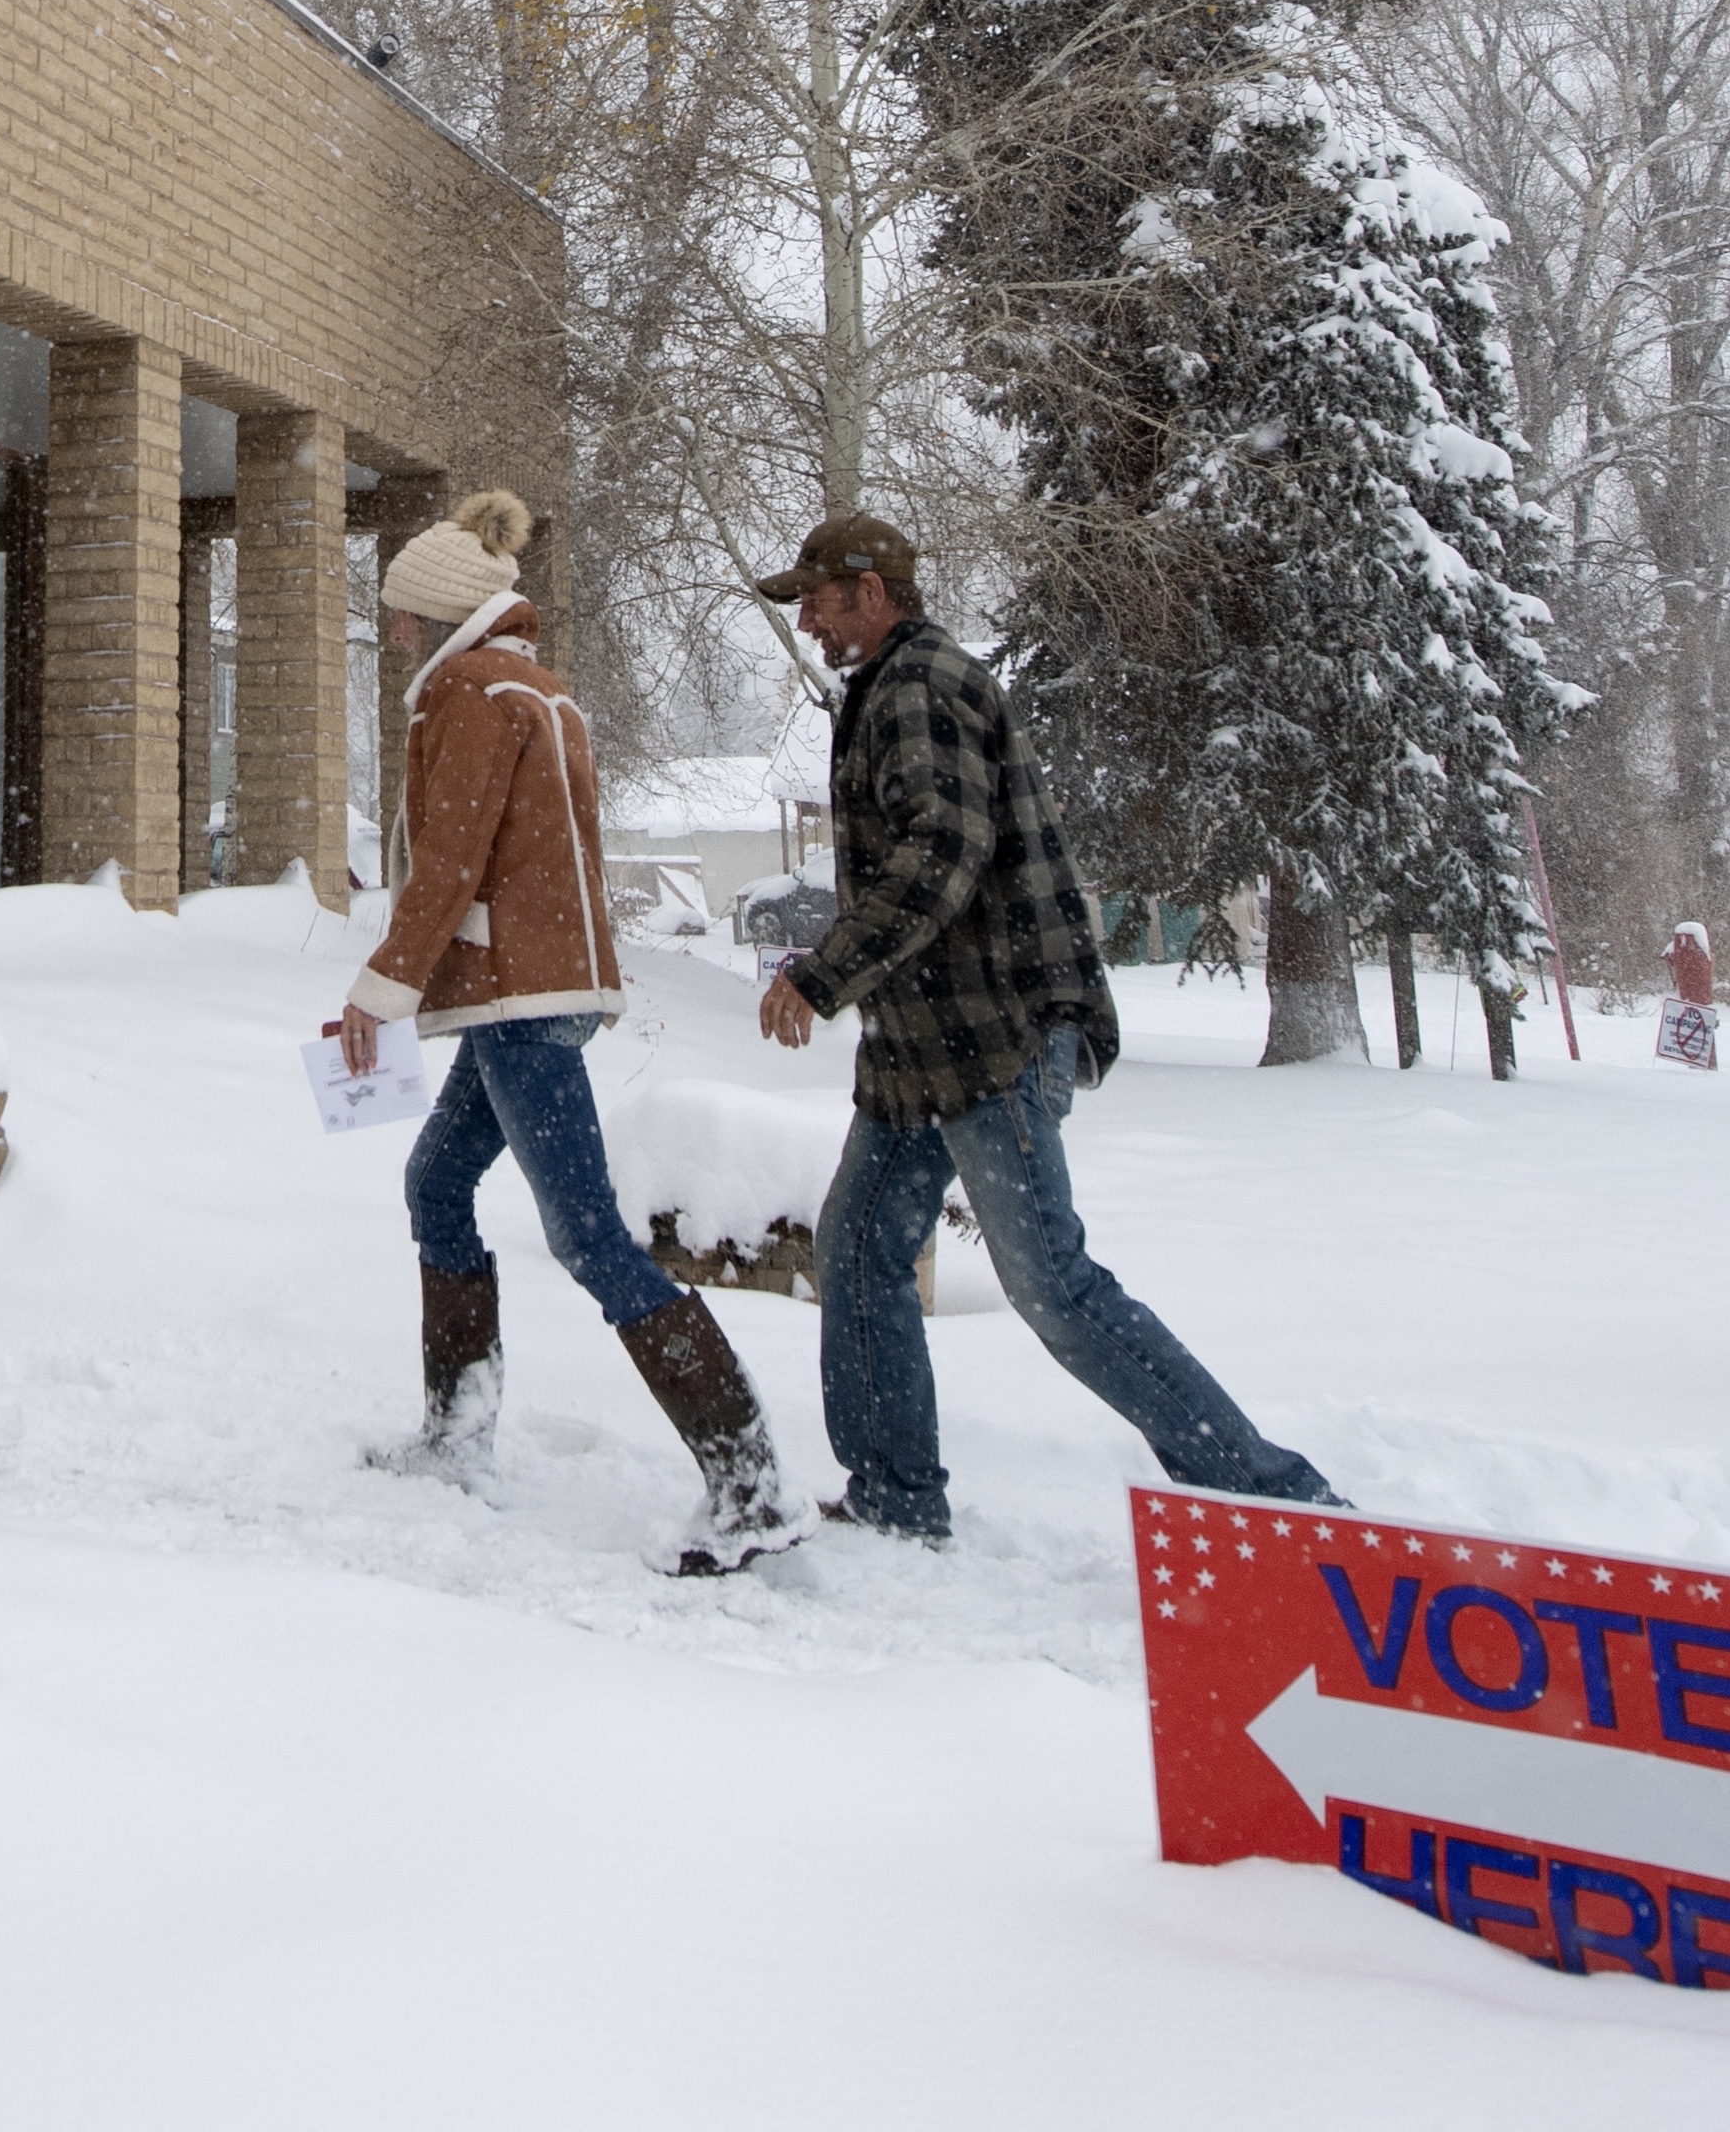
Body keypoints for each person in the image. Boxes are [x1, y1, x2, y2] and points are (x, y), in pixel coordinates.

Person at [747, 514, 1343, 1540]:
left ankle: (1279, 1503)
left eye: (817, 597)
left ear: (875, 593)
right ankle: (894, 1493)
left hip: (995, 1034)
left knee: (1051, 1286)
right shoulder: (883, 687)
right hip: (920, 1047)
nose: (803, 618)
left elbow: (944, 850)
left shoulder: (924, 684)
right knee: (855, 1251)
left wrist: (822, 974)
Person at [332, 488, 796, 1575]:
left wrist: (379, 988)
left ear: (442, 613)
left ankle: (749, 1487)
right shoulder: (532, 691)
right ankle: (456, 1433)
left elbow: (446, 866)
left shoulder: (475, 696)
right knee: (436, 1186)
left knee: (590, 1237)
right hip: (542, 992)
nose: (392, 627)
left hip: (520, 1003)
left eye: (402, 612)